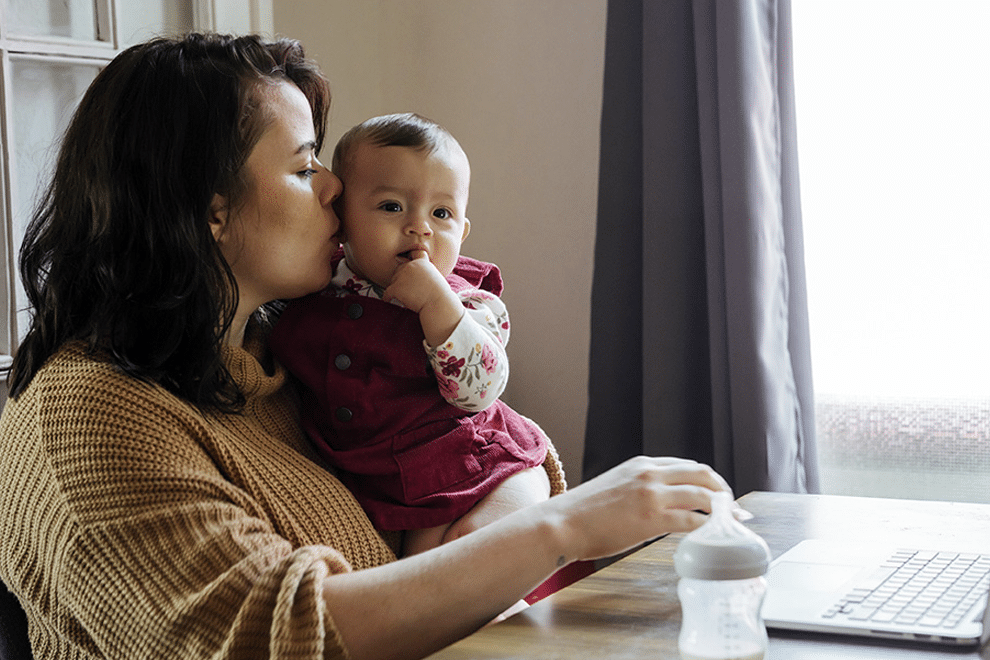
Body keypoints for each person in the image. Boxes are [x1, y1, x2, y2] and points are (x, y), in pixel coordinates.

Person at [0, 32, 736, 660]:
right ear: (210, 210)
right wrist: (561, 526)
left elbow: (488, 451)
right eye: (301, 166)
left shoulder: (281, 360)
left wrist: (522, 488)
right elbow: (288, 635)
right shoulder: (88, 421)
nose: (333, 191)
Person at [270, 112, 549, 557]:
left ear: (462, 231)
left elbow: (480, 391)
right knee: (433, 588)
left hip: (473, 468)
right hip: (385, 485)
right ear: (340, 220)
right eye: (391, 206)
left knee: (466, 557)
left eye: (442, 213)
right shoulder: (315, 290)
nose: (420, 226)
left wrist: (439, 307)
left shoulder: (467, 303)